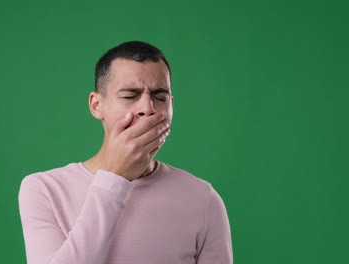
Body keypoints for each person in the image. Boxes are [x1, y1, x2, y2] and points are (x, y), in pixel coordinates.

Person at [18, 41, 233, 264]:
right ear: (96, 105)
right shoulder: (43, 190)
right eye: (130, 95)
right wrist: (115, 178)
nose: (148, 108)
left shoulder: (203, 199)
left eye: (160, 97)